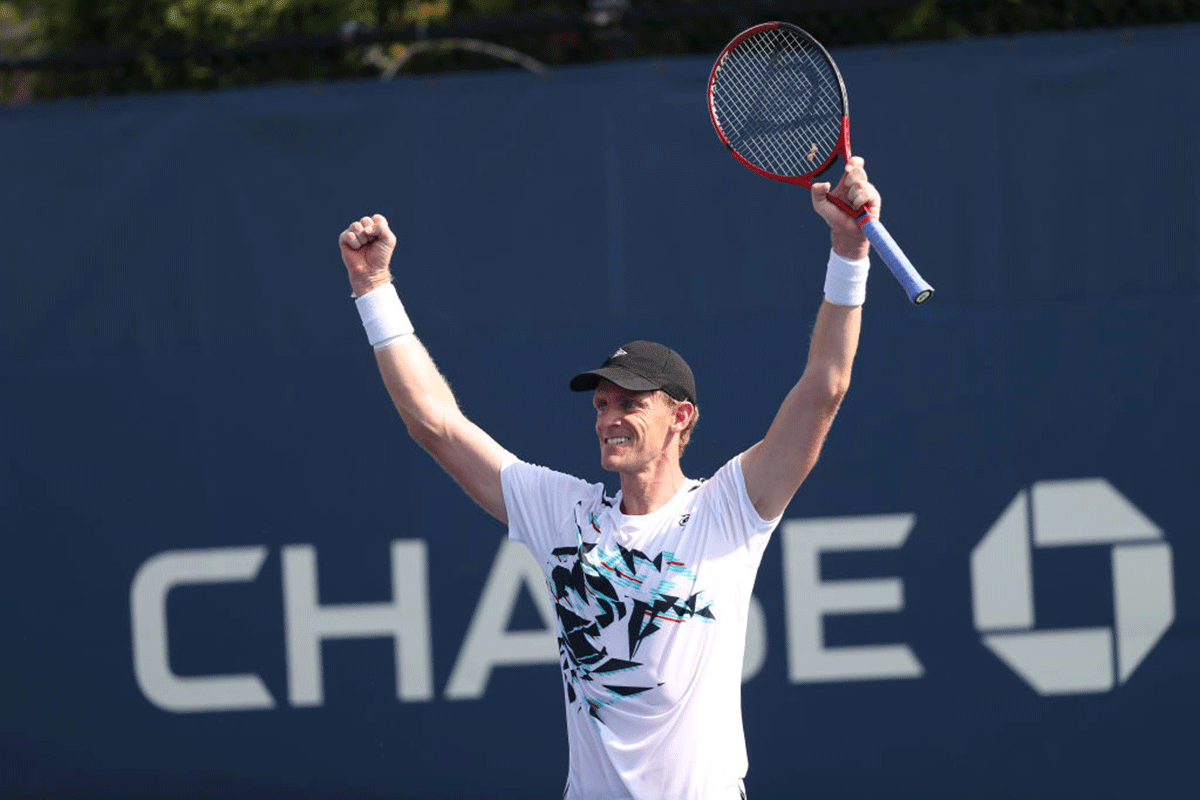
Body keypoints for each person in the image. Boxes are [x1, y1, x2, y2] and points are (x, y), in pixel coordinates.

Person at [339, 157, 880, 800]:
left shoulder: (731, 506)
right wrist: (374, 288)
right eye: (601, 405)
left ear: (681, 416)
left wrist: (849, 254)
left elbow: (825, 387)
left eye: (629, 403)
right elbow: (436, 425)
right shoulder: (560, 513)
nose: (609, 418)